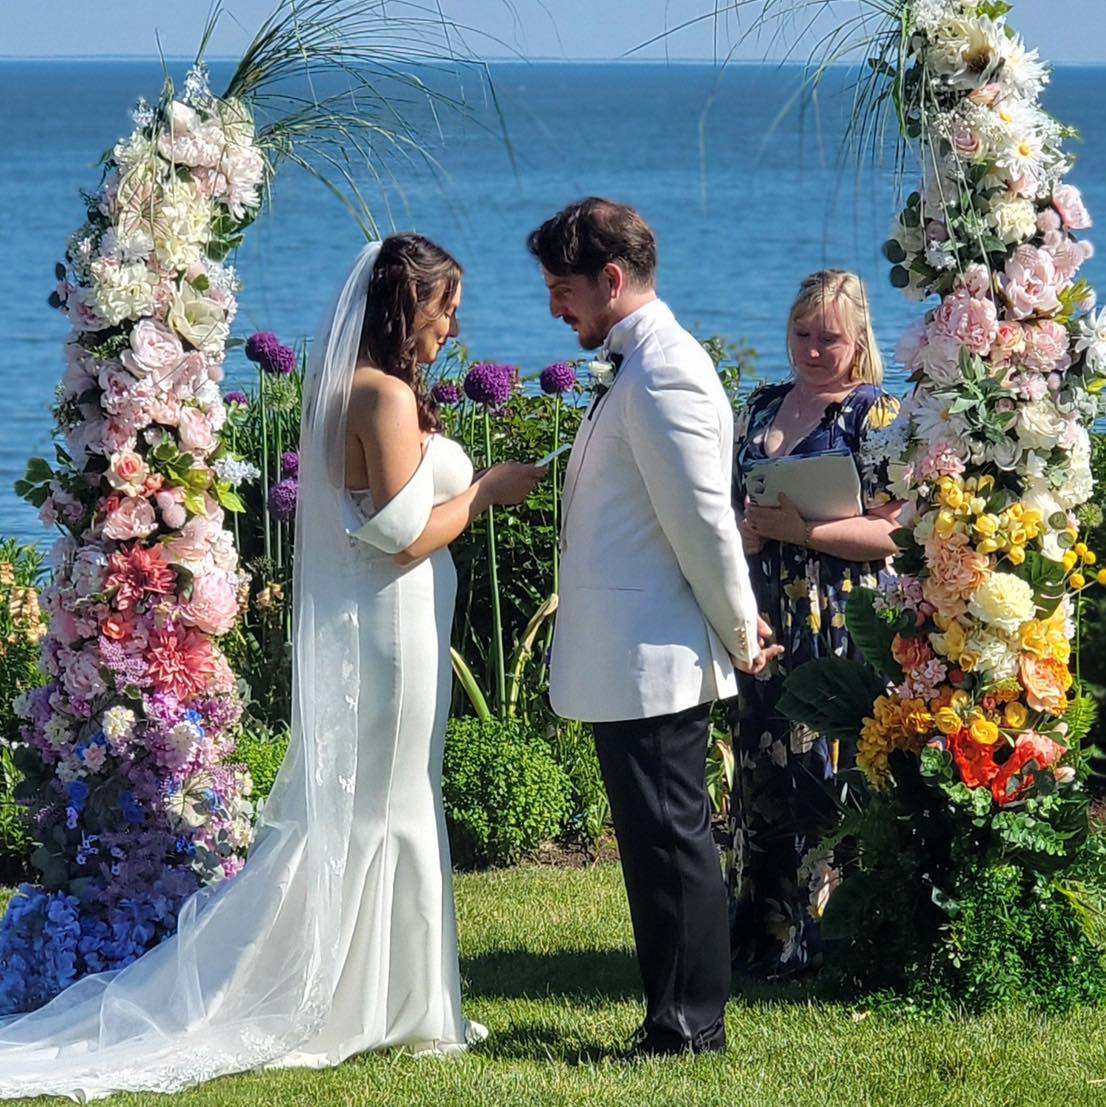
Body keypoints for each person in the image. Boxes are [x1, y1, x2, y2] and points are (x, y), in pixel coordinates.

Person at [0, 234, 545, 1099]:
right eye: (444, 309)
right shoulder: (380, 393)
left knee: (394, 797)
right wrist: (485, 492)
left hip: (395, 617)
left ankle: (398, 994)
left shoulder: (358, 386)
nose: (452, 327)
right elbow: (400, 535)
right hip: (392, 619)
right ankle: (384, 1002)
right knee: (393, 799)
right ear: (407, 306)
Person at [530, 197, 780, 1058]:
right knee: (651, 845)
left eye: (562, 291)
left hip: (657, 653)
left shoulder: (666, 371)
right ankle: (671, 1013)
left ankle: (690, 1024)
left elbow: (705, 525)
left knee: (672, 841)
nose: (554, 310)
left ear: (611, 279)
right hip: (632, 652)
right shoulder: (636, 365)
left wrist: (741, 631)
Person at [726, 268, 902, 981]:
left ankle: (829, 939)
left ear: (859, 340)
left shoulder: (874, 413)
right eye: (802, 334)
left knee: (826, 771)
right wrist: (745, 532)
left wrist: (803, 531)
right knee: (763, 768)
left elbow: (894, 531)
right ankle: (760, 934)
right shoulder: (763, 405)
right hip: (767, 611)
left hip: (838, 617)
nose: (814, 350)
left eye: (830, 337)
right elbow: (728, 504)